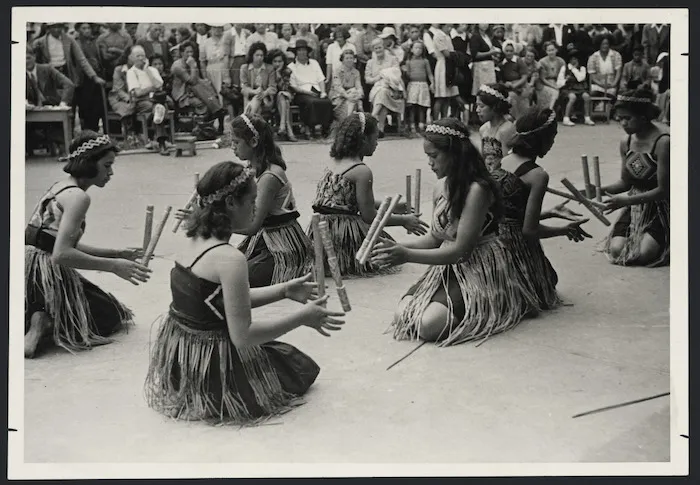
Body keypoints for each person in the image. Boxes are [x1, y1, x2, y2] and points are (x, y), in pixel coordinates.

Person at [145, 160, 345, 425]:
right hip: (214, 364)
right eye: (252, 200)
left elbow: (218, 302)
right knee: (298, 368)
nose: (256, 206)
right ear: (230, 203)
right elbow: (243, 336)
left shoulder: (194, 238)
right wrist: (302, 318)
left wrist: (284, 290)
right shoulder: (230, 258)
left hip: (184, 362)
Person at [371, 118, 532, 346]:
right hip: (447, 266)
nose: (429, 163)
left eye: (434, 156)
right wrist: (395, 248)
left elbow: (461, 252)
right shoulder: (441, 186)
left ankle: (488, 302)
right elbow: (435, 239)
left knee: (428, 325)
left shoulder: (477, 190)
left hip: (478, 267)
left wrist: (405, 255)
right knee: (403, 316)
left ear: (454, 154)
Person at [24, 131, 151, 358]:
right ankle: (47, 322)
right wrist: (114, 267)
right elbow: (62, 255)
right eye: (107, 165)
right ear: (89, 163)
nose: (110, 173)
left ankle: (37, 315)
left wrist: (116, 254)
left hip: (28, 269)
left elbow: (56, 242)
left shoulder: (61, 186)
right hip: (46, 271)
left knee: (102, 307)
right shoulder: (79, 198)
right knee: (109, 315)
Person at [308, 112, 428, 277]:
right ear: (363, 139)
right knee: (385, 249)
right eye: (376, 138)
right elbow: (369, 216)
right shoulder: (362, 171)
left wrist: (393, 206)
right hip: (342, 232)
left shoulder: (335, 162)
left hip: (321, 231)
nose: (377, 143)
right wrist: (403, 221)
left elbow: (348, 200)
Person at [497, 108, 591, 312]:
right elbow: (528, 231)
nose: (553, 143)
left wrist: (549, 212)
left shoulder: (501, 161)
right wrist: (565, 229)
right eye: (552, 137)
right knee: (548, 280)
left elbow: (510, 214)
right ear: (541, 139)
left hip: (493, 242)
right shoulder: (538, 175)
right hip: (514, 246)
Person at [600, 88, 669, 267]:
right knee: (617, 250)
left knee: (645, 253)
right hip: (635, 204)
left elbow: (664, 191)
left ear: (644, 117)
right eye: (620, 118)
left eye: (627, 118)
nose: (623, 123)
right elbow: (625, 183)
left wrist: (625, 202)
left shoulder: (663, 143)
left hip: (662, 206)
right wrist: (599, 190)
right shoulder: (626, 141)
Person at [126, 45, 170, 155]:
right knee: (157, 108)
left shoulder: (152, 70)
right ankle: (161, 142)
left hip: (157, 99)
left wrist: (147, 71)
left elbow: (159, 85)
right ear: (132, 58)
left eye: (143, 55)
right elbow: (138, 93)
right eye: (138, 56)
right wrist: (152, 88)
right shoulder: (131, 72)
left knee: (158, 109)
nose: (141, 58)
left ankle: (159, 141)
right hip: (142, 102)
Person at [288, 39, 333, 139]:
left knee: (327, 102)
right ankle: (310, 129)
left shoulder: (314, 63)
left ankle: (324, 129)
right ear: (296, 52)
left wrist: (323, 92)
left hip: (316, 90)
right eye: (299, 50)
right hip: (301, 93)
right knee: (311, 102)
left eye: (304, 50)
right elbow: (293, 87)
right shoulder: (291, 66)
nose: (302, 52)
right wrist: (307, 92)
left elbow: (321, 79)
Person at [365, 38, 405, 137]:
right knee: (382, 93)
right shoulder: (370, 62)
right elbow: (367, 79)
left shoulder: (392, 59)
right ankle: (380, 128)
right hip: (376, 88)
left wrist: (387, 77)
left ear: (384, 47)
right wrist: (379, 77)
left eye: (380, 47)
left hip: (392, 89)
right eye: (376, 48)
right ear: (373, 50)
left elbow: (397, 75)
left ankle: (373, 118)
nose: (378, 50)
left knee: (383, 93)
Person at [476, 83, 516, 169]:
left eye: (481, 106)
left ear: (495, 107)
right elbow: (483, 159)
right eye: (477, 106)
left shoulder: (506, 130)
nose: (477, 110)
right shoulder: (483, 129)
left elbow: (508, 164)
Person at [402, 41, 434, 134]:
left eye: (420, 48)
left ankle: (421, 124)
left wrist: (432, 83)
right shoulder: (409, 61)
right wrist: (405, 71)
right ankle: (412, 125)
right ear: (412, 50)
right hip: (413, 85)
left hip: (423, 85)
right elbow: (407, 75)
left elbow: (429, 74)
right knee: (412, 106)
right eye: (416, 48)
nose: (418, 50)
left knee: (422, 106)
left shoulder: (425, 61)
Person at [556, 49, 594, 126]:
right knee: (572, 97)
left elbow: (580, 78)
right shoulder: (565, 68)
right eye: (573, 59)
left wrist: (574, 69)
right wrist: (566, 80)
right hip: (567, 89)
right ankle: (566, 118)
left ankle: (587, 118)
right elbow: (559, 83)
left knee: (586, 97)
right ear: (569, 60)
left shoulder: (582, 68)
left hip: (580, 89)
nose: (574, 61)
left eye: (576, 59)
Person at [240, 42, 277, 118]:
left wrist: (264, 93)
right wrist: (254, 91)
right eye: (257, 55)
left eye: (262, 55)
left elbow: (273, 87)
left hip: (266, 99)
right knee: (257, 107)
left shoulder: (269, 68)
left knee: (257, 98)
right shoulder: (245, 68)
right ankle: (250, 123)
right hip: (249, 98)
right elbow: (244, 88)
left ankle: (246, 120)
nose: (260, 57)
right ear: (252, 56)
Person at [329, 49, 364, 127]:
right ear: (342, 60)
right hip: (338, 96)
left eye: (351, 58)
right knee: (353, 95)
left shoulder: (356, 72)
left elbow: (359, 86)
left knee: (354, 92)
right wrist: (348, 96)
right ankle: (349, 120)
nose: (349, 60)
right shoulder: (337, 71)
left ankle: (347, 121)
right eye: (347, 58)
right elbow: (338, 87)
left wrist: (359, 94)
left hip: (352, 96)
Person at [268, 48, 296, 141]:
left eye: (280, 61)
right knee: (284, 100)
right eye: (275, 61)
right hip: (273, 98)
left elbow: (284, 88)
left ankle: (283, 126)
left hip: (286, 94)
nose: (277, 64)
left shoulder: (287, 71)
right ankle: (288, 129)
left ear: (283, 61)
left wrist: (278, 74)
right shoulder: (268, 71)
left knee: (282, 95)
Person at [537, 41, 565, 110]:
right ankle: (549, 111)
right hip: (545, 83)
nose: (551, 52)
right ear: (546, 51)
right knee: (554, 92)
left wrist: (560, 84)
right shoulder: (542, 62)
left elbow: (563, 75)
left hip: (558, 82)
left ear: (556, 50)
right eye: (549, 50)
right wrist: (554, 86)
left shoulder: (561, 61)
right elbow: (542, 79)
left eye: (552, 50)